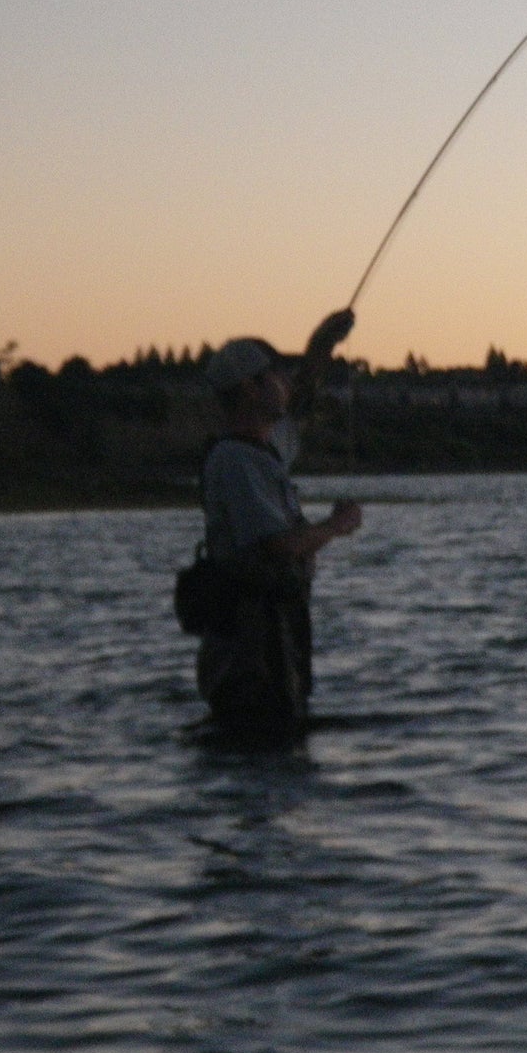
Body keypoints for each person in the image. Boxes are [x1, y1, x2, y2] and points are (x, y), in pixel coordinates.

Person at [195, 309, 362, 738]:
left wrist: (323, 342)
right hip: (249, 645)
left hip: (273, 633)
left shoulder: (262, 449)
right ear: (250, 389)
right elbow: (277, 545)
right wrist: (336, 525)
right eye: (276, 376)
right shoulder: (236, 460)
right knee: (261, 737)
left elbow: (302, 397)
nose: (285, 382)